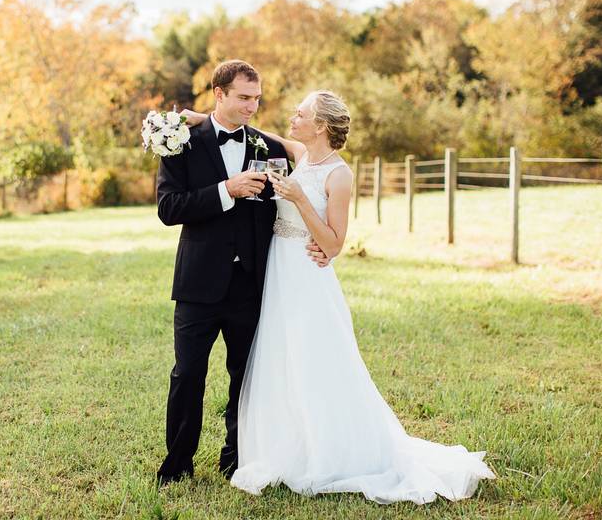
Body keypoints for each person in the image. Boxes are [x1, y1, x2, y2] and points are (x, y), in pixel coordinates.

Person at [183, 90, 495, 503]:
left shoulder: (339, 175)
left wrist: (297, 199)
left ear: (322, 126)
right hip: (276, 271)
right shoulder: (299, 153)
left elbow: (332, 242)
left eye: (302, 113)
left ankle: (327, 451)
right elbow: (256, 132)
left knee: (315, 361)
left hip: (307, 276)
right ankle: (282, 446)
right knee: (280, 358)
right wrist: (202, 118)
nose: (293, 117)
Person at [154, 60, 329, 485]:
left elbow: (315, 157)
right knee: (187, 374)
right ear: (219, 94)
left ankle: (237, 459)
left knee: (247, 377)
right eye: (244, 98)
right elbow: (168, 208)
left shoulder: (267, 146)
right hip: (198, 282)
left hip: (252, 283)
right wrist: (225, 191)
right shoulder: (181, 143)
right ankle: (178, 464)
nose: (253, 106)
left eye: (257, 98)